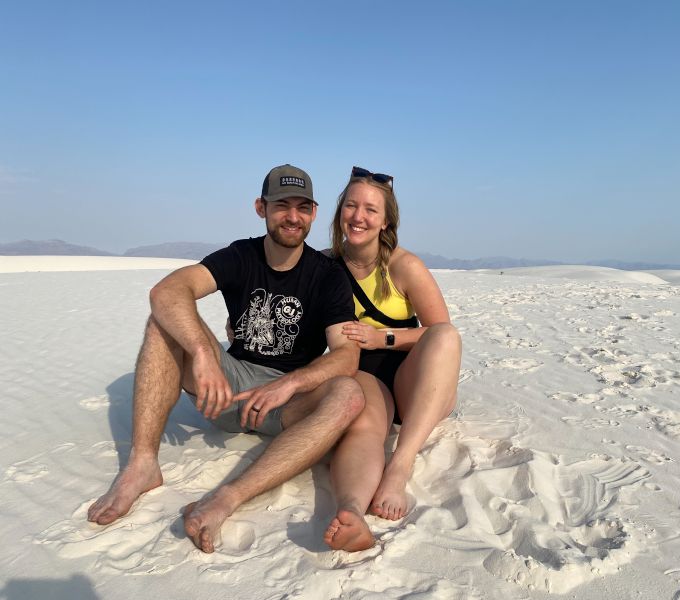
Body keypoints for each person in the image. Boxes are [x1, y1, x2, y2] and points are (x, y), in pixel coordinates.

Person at [87, 164, 373, 554]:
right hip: (227, 388)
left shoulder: (326, 275)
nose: (293, 217)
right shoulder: (241, 255)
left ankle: (228, 498)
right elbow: (168, 291)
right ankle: (142, 464)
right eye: (282, 206)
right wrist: (205, 354)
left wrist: (288, 383)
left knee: (349, 393)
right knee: (161, 324)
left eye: (303, 207)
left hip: (287, 406)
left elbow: (346, 354)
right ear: (261, 207)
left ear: (314, 213)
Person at [322, 166, 461, 547]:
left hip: (417, 384)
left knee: (447, 336)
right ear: (340, 213)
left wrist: (379, 337)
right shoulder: (323, 265)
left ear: (386, 221)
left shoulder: (404, 266)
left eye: (370, 209)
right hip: (366, 382)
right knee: (366, 431)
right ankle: (350, 511)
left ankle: (400, 466)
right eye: (351, 206)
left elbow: (437, 332)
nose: (358, 216)